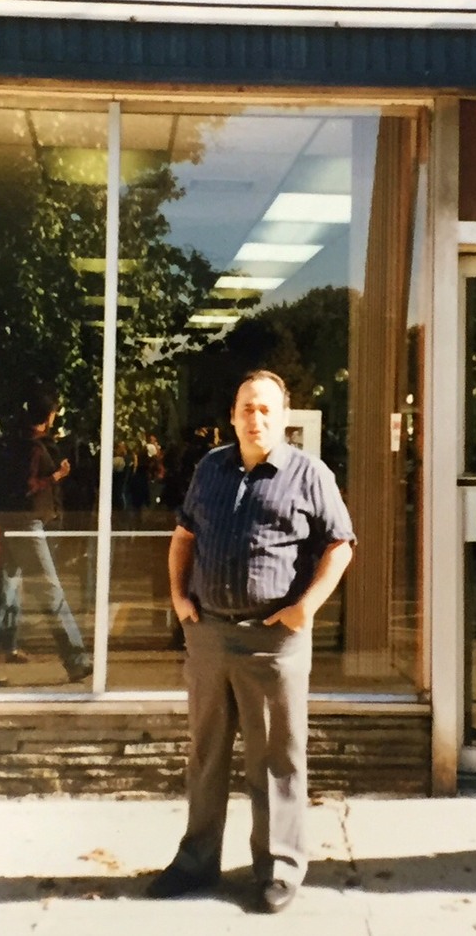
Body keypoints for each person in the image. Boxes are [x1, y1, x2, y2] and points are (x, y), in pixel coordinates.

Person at [147, 370, 355, 914]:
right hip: (210, 635)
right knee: (205, 755)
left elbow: (340, 546)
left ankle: (278, 869)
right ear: (232, 415)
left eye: (265, 409)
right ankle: (195, 861)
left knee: (276, 761)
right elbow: (183, 536)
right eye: (246, 408)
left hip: (272, 640)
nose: (255, 418)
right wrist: (180, 600)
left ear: (283, 416)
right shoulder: (210, 468)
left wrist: (303, 609)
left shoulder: (310, 474)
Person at [0, 390, 92, 686]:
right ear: (47, 417)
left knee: (2, 596)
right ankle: (75, 659)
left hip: (8, 525)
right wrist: (56, 477)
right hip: (25, 526)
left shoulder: (15, 445)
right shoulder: (33, 450)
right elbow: (27, 487)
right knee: (50, 591)